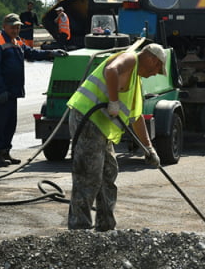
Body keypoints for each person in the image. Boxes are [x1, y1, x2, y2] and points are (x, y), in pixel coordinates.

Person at [66, 43, 167, 231]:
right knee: (89, 175)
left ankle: (106, 226)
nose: (155, 74)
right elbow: (111, 70)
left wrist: (149, 148)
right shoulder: (130, 59)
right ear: (152, 59)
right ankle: (79, 230)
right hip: (87, 119)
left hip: (101, 127)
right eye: (157, 69)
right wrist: (113, 101)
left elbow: (136, 118)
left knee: (109, 173)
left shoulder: (136, 81)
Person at [0, 13, 67, 167]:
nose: (16, 30)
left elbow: (31, 53)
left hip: (12, 91)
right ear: (4, 27)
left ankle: (4, 152)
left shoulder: (17, 41)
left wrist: (51, 53)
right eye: (13, 27)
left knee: (10, 123)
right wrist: (0, 90)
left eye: (18, 27)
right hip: (1, 93)